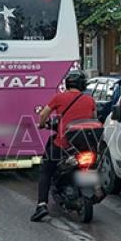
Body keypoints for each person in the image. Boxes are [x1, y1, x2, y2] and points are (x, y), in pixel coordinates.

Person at [31, 71, 96, 222]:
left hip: (63, 144)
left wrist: (41, 125)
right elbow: (94, 119)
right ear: (82, 85)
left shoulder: (59, 97)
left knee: (46, 170)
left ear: (67, 84)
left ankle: (41, 205)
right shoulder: (90, 100)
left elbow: (42, 115)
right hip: (85, 146)